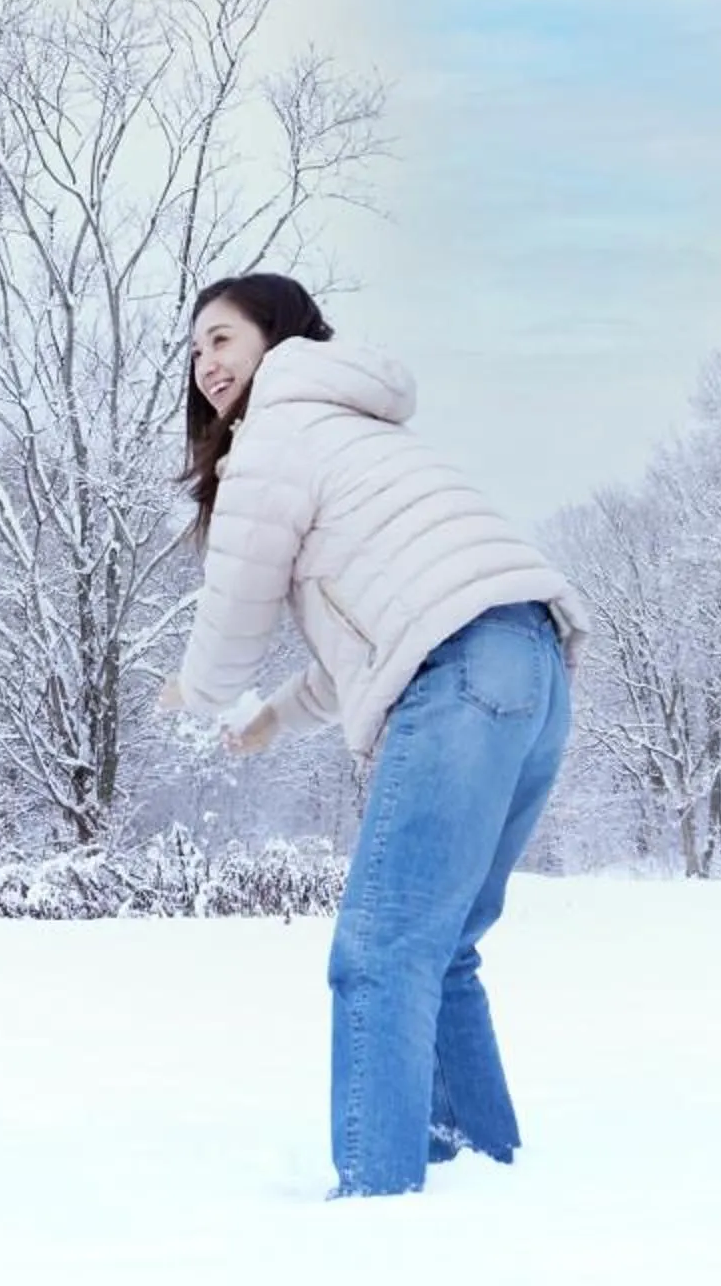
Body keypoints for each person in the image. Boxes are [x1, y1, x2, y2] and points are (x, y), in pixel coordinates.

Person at [164, 273, 584, 1199]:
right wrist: (273, 717)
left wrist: (199, 693)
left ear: (279, 337)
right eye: (194, 350)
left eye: (222, 339)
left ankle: (377, 1209)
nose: (205, 365)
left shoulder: (275, 431)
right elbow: (380, 636)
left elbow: (235, 609)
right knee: (444, 947)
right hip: (531, 665)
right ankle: (487, 1183)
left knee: (381, 952)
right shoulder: (355, 425)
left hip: (460, 666)